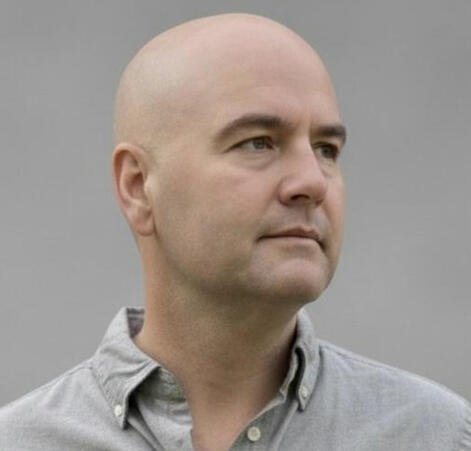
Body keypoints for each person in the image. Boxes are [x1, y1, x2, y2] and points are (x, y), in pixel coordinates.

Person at [0, 12, 469, 451]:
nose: (312, 182)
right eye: (258, 143)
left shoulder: (436, 435)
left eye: (326, 149)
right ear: (138, 187)